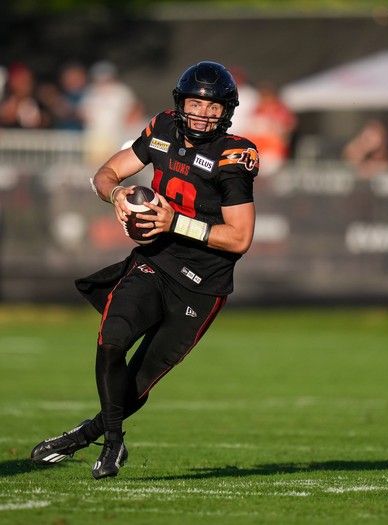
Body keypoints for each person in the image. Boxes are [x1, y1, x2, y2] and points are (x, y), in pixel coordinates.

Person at [30, 61, 258, 479]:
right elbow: (105, 173)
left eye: (212, 107)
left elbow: (240, 238)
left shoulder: (234, 154)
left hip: (202, 285)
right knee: (113, 338)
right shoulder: (163, 128)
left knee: (138, 382)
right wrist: (115, 194)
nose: (203, 113)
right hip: (156, 261)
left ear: (227, 111)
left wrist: (174, 222)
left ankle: (85, 436)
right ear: (180, 103)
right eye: (195, 103)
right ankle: (113, 444)